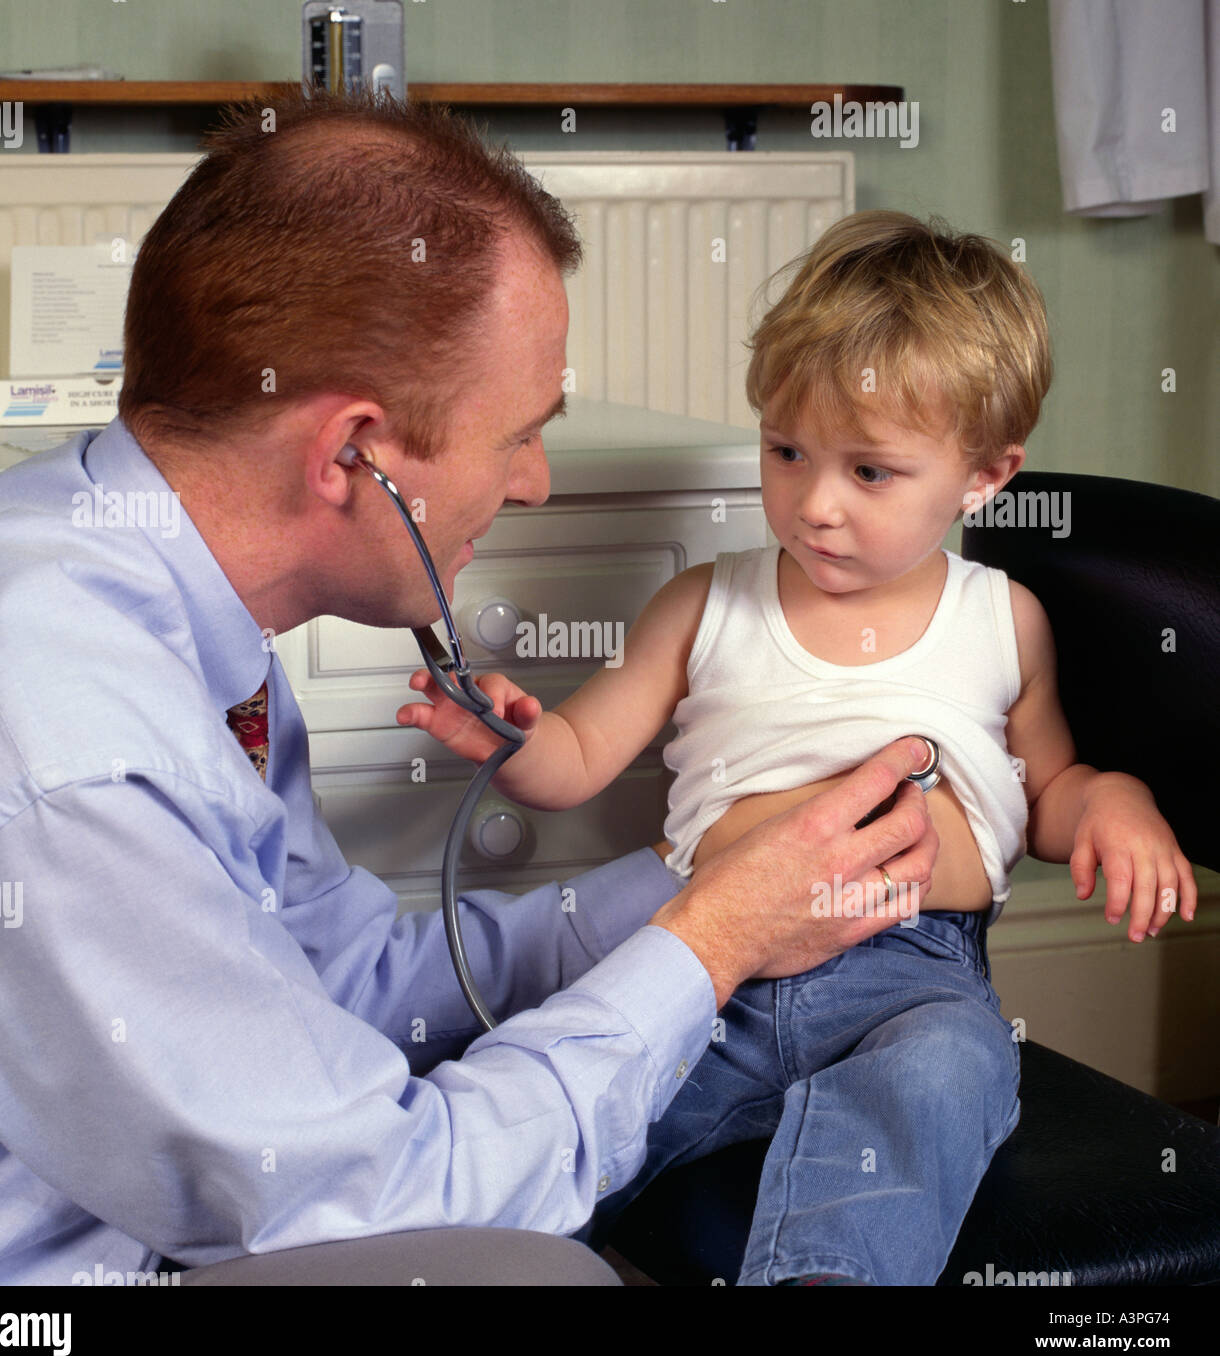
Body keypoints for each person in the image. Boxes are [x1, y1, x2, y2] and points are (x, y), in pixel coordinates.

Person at [0, 91, 941, 1286]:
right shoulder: (70, 755)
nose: (536, 481)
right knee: (539, 1278)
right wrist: (707, 947)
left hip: (153, 1197)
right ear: (352, 452)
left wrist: (697, 883)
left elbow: (345, 977)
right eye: (516, 432)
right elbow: (383, 1191)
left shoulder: (132, 583)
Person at [399, 209, 1199, 1285]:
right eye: (785, 451)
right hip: (707, 967)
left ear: (984, 474)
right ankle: (432, 1249)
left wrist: (1111, 796)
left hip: (912, 977)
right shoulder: (704, 603)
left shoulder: (1001, 619)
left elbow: (1045, 786)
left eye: (869, 472)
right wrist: (511, 739)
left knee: (941, 1077)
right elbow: (580, 753)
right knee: (575, 1095)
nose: (814, 505)